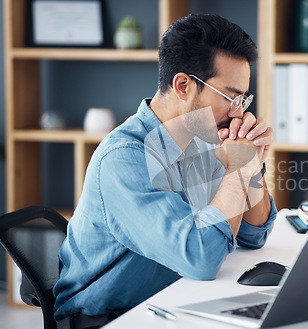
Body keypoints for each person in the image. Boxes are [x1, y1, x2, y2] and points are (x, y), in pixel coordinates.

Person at [53, 14, 277, 328]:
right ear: (183, 85)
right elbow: (201, 258)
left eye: (243, 99)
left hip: (170, 301)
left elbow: (254, 233)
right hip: (106, 319)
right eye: (231, 97)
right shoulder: (124, 159)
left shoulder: (201, 137)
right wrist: (237, 167)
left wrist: (250, 162)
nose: (238, 111)